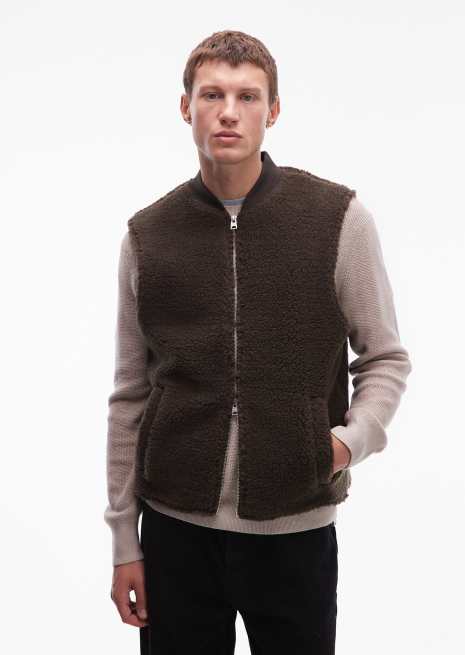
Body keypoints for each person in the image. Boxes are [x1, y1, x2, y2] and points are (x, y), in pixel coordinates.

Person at [104, 29, 412, 655]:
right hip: (174, 532)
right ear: (185, 107)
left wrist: (344, 445)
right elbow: (130, 396)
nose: (228, 112)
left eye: (247, 97)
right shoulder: (148, 236)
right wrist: (123, 542)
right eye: (212, 94)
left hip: (295, 530)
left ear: (273, 110)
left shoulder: (336, 219)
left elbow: (384, 357)